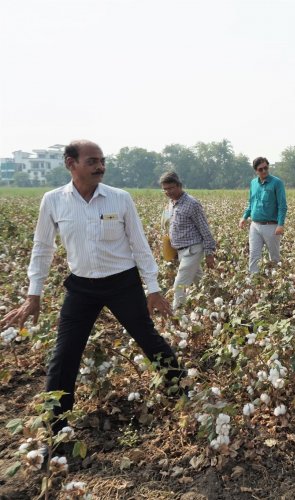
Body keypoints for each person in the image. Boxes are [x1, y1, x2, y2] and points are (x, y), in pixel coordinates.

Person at [0, 140, 182, 434]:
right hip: (81, 288)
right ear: (70, 164)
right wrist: (33, 295)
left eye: (102, 160)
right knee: (65, 353)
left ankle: (182, 393)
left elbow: (139, 245)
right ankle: (56, 428)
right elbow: (42, 248)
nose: (100, 166)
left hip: (123, 283)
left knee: (148, 339)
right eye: (92, 161)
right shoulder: (53, 200)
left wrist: (153, 289)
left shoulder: (119, 198)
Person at [159, 171, 217, 309]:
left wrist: (209, 253)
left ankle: (177, 314)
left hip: (192, 250)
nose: (168, 192)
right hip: (180, 250)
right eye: (165, 189)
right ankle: (218, 301)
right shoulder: (171, 203)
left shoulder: (192, 204)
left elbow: (204, 228)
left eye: (171, 188)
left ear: (179, 185)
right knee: (201, 281)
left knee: (179, 285)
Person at [238, 157, 287, 274]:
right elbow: (251, 203)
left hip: (271, 226)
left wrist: (280, 224)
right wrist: (244, 217)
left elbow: (282, 205)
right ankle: (253, 280)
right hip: (255, 225)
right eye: (261, 169)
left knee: (274, 257)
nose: (264, 171)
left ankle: (275, 280)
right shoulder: (253, 183)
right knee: (254, 254)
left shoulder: (277, 183)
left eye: (266, 168)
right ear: (256, 171)